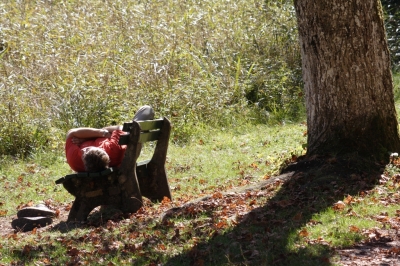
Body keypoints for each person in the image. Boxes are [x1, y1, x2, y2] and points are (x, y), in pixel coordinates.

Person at [65, 105, 155, 173]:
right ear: (101, 150)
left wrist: (85, 139)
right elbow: (122, 128)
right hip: (130, 140)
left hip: (126, 144)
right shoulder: (113, 149)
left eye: (83, 152)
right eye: (87, 149)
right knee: (147, 110)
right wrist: (102, 132)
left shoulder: (75, 160)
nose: (83, 149)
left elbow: (71, 133)